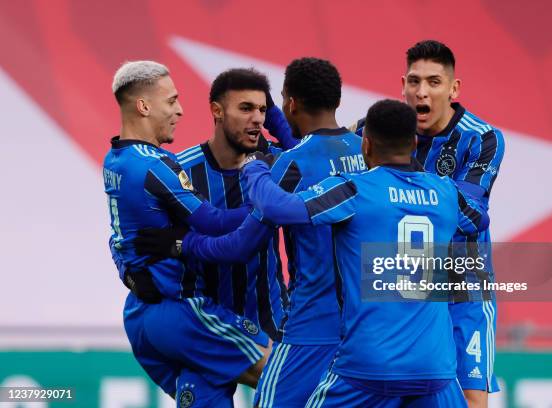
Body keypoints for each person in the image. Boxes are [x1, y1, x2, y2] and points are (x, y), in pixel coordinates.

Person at [238, 99, 489, 407]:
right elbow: (478, 218)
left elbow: (279, 207)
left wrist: (254, 169)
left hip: (368, 368)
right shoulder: (445, 192)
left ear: (365, 145)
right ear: (413, 142)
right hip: (435, 369)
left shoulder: (354, 189)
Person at [103, 60, 274, 408]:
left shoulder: (114, 158)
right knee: (285, 377)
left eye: (262, 109)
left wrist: (127, 269)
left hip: (142, 315)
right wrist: (273, 207)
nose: (180, 110)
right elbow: (214, 223)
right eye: (171, 101)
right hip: (186, 313)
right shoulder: (163, 166)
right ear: (144, 106)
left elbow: (120, 231)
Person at [350, 40, 504, 407]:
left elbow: (468, 214)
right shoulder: (370, 131)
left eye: (434, 82)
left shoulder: (482, 137)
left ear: (454, 89)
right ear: (402, 84)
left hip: (463, 285)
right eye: (415, 81)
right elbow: (320, 149)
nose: (422, 92)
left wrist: (397, 176)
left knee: (471, 397)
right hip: (397, 286)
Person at [248, 57, 367, 408]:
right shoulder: (370, 152)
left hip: (310, 327)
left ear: (291, 103)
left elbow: (250, 238)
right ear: (338, 100)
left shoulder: (290, 163)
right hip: (367, 327)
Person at [173, 67, 288, 342]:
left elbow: (310, 154)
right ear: (217, 110)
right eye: (246, 108)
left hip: (272, 322)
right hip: (205, 324)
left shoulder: (281, 163)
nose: (257, 119)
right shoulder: (180, 170)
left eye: (262, 110)